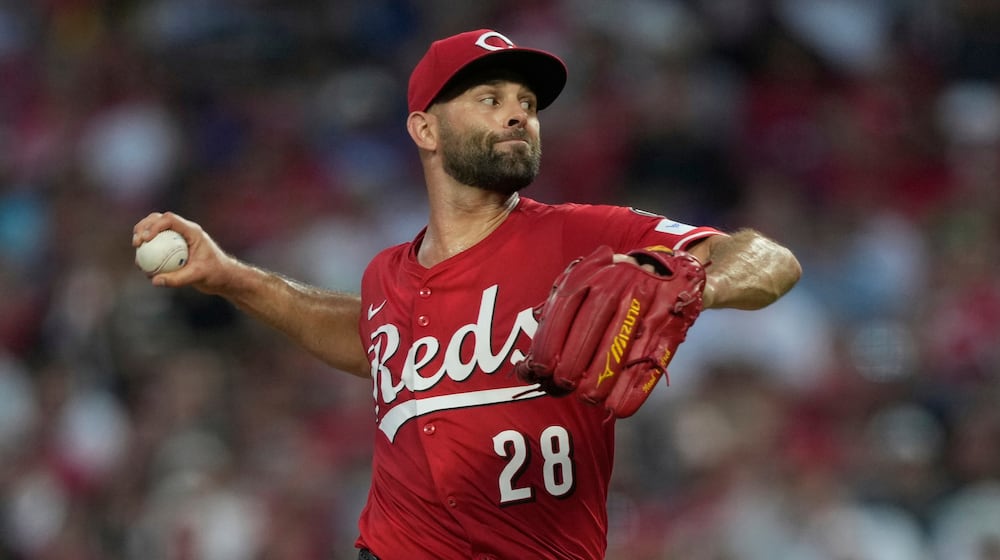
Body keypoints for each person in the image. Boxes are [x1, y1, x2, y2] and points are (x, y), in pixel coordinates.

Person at [132, 29, 801, 560]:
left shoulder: (582, 234)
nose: (518, 114)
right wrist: (233, 277)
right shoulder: (385, 276)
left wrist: (684, 283)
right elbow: (367, 334)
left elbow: (770, 261)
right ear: (425, 129)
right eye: (490, 100)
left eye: (527, 104)